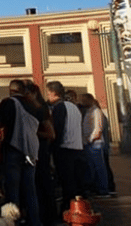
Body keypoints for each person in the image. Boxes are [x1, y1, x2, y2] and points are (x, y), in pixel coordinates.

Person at [0, 79, 41, 226]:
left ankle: (12, 222)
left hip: (14, 148)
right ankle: (35, 221)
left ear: (11, 90)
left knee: (13, 190)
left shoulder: (9, 103)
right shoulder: (33, 105)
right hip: (32, 150)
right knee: (30, 190)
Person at [45, 81, 84, 213]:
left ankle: (67, 208)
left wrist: (52, 147)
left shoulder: (59, 107)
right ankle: (76, 206)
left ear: (53, 93)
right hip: (77, 147)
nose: (48, 96)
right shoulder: (74, 107)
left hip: (65, 148)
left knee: (66, 181)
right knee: (75, 181)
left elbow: (58, 130)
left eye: (48, 93)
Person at [23, 80, 57, 226]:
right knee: (40, 185)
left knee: (42, 184)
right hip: (38, 151)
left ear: (34, 93)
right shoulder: (37, 108)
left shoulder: (41, 109)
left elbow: (51, 134)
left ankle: (47, 217)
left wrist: (33, 132)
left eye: (27, 93)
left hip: (40, 152)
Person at [79, 93, 110, 197]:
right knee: (92, 167)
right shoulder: (88, 111)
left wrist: (90, 139)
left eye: (83, 100)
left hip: (94, 144)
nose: (81, 102)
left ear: (90, 100)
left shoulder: (96, 111)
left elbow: (98, 128)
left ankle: (103, 189)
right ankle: (96, 188)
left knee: (99, 167)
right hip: (89, 143)